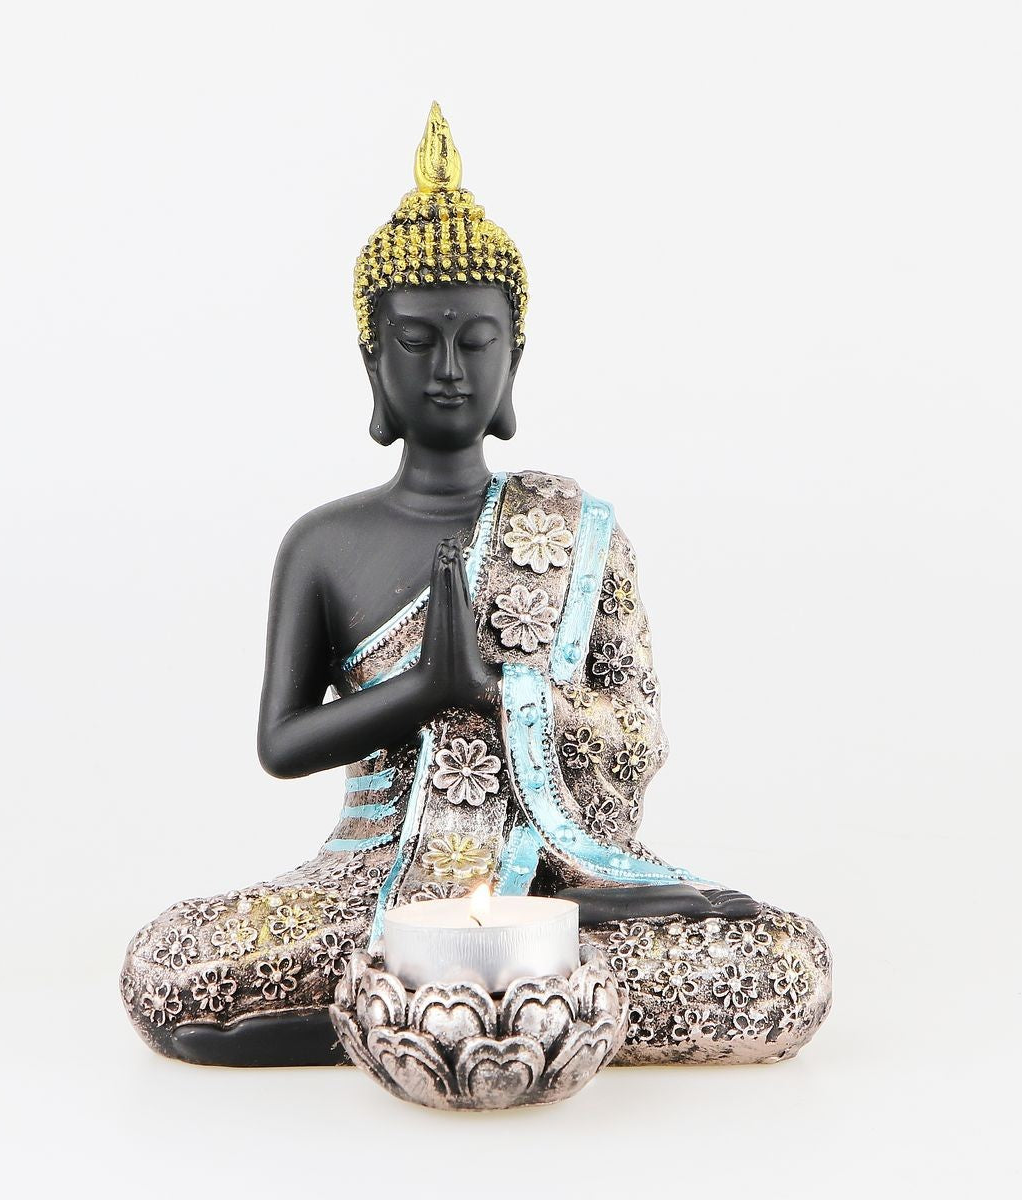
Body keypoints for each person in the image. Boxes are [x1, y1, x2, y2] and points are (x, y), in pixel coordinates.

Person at [121, 105, 831, 1067]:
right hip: (367, 886)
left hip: (555, 885)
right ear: (373, 362)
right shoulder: (324, 544)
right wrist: (424, 690)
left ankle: (392, 1011)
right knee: (171, 963)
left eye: (477, 341)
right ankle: (534, 1008)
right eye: (416, 342)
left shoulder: (578, 530)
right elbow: (282, 743)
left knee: (780, 963)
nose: (449, 370)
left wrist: (499, 693)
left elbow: (637, 731)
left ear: (514, 360)